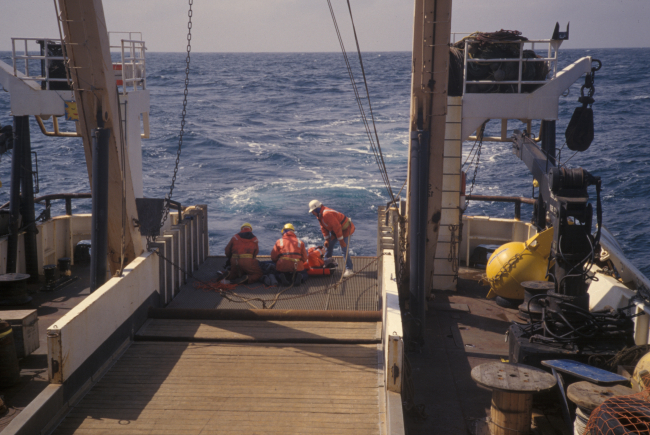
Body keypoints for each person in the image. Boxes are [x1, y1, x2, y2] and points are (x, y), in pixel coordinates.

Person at [309, 199, 355, 278]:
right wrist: (327, 239)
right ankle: (326, 263)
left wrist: (341, 241)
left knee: (344, 249)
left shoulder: (326, 214)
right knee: (329, 246)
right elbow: (323, 227)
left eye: (313, 211)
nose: (312, 213)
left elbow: (337, 228)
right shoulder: (319, 216)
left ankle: (349, 269)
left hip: (345, 229)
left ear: (317, 209)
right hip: (336, 231)